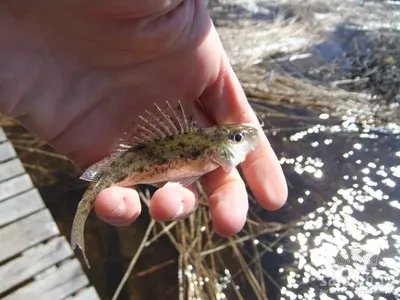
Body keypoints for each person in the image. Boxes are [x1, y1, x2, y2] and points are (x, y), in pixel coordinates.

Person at [0, 0, 287, 236]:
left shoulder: (205, 153)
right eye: (236, 137)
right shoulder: (203, 153)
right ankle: (78, 229)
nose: (244, 137)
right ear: (213, 148)